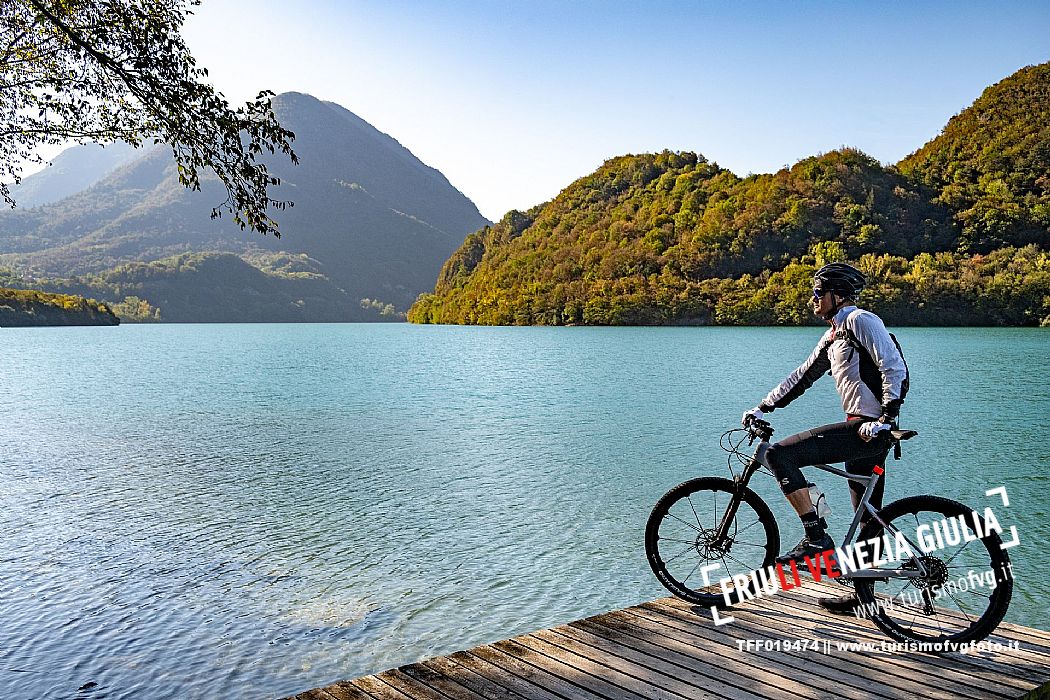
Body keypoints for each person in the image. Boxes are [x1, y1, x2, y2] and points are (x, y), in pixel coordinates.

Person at [741, 262, 908, 613]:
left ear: (838, 295)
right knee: (868, 516)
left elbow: (893, 366)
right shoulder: (834, 335)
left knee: (779, 455)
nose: (813, 299)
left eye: (819, 293)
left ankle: (816, 538)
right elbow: (801, 377)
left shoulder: (861, 320)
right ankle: (863, 594)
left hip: (868, 428)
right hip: (860, 427)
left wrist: (886, 417)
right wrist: (763, 407)